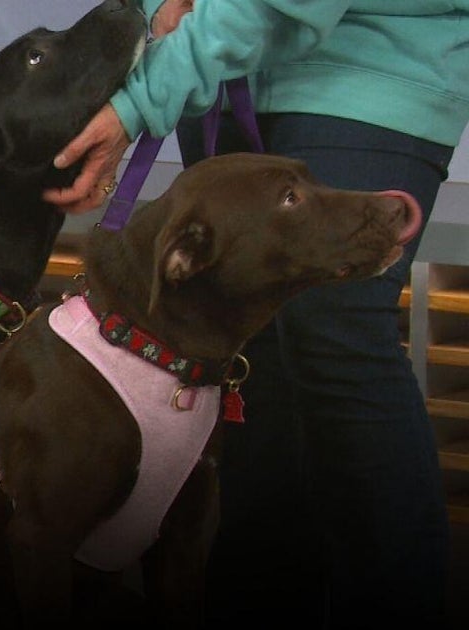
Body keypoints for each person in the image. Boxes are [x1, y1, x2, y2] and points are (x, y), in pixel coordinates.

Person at [44, 1, 468, 628]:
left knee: (335, 336)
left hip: (371, 60)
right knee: (243, 345)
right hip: (225, 66)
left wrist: (138, 101)